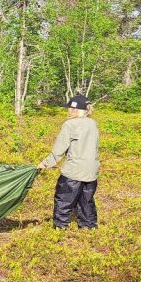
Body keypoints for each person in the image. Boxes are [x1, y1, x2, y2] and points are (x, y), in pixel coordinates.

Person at [37, 93, 99, 230]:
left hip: (73, 172)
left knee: (63, 200)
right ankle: (89, 227)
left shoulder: (70, 125)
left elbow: (58, 150)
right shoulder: (93, 124)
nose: (68, 111)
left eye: (70, 109)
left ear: (75, 109)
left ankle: (60, 228)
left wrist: (44, 164)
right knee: (86, 200)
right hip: (91, 172)